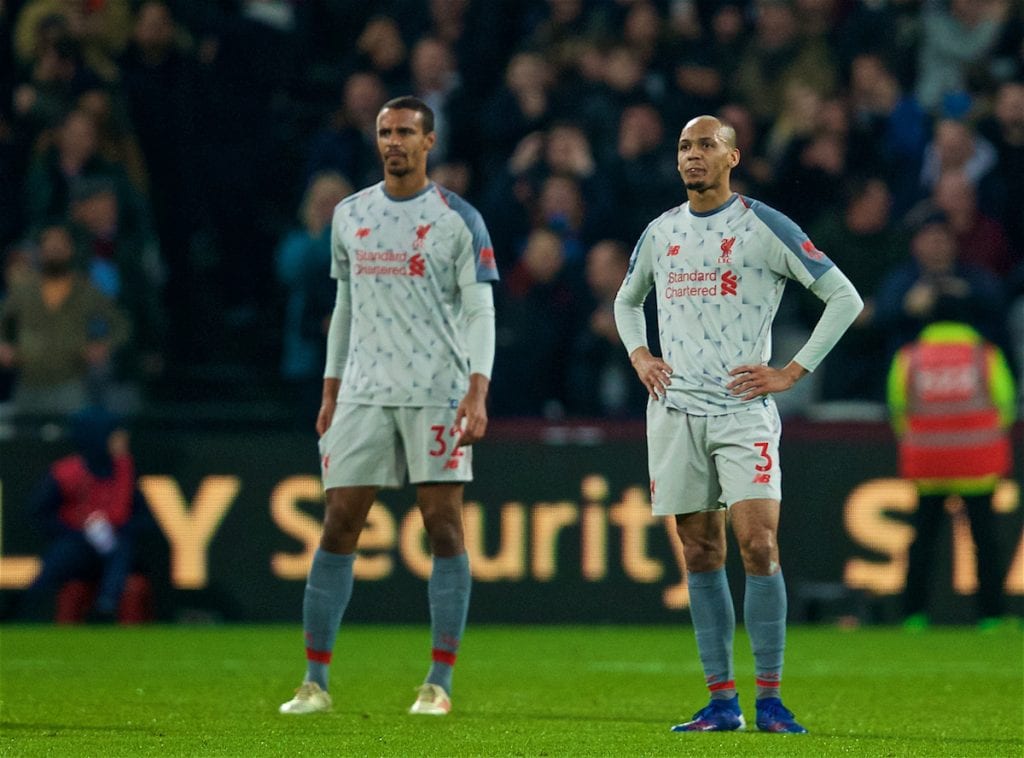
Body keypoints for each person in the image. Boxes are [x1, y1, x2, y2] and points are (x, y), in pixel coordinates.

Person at [613, 115, 863, 734]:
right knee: (700, 552)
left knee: (759, 544)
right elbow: (625, 301)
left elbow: (845, 298)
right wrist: (641, 355)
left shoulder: (764, 225)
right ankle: (722, 702)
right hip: (674, 411)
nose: (692, 156)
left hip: (741, 410)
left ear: (733, 157)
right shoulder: (660, 232)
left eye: (705, 146)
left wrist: (791, 372)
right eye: (684, 147)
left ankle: (772, 700)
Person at [278, 96, 498, 717]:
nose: (393, 141)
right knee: (339, 524)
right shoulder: (350, 215)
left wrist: (478, 389)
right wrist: (330, 386)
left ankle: (439, 681)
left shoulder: (459, 219)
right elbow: (344, 306)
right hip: (364, 392)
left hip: (436, 389)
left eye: (405, 132)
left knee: (443, 527)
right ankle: (313, 681)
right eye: (384, 132)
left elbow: (481, 308)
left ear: (429, 142)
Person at [887, 321, 1016, 632]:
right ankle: (991, 616)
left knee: (922, 542)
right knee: (984, 542)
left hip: (929, 464)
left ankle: (913, 615)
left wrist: (917, 441)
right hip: (977, 463)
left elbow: (897, 405)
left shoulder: (910, 356)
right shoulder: (985, 354)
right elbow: (1005, 402)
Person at [13, 406, 153, 623]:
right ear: (100, 438)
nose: (123, 442)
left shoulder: (127, 470)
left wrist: (116, 529)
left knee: (121, 548)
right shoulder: (66, 473)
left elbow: (143, 518)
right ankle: (25, 611)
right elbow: (39, 513)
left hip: (114, 548)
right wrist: (78, 531)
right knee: (63, 554)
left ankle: (106, 605)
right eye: (116, 437)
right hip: (77, 544)